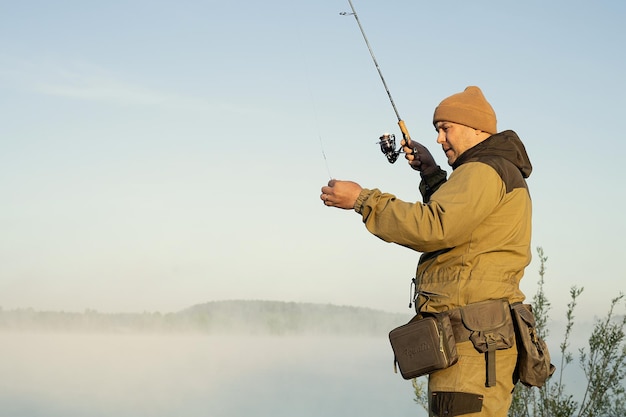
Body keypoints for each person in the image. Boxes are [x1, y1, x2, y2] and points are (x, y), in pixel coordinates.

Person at [320, 86, 532, 416]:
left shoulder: (483, 170)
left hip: (472, 348)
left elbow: (435, 226)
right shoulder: (491, 170)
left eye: (446, 128)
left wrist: (363, 200)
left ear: (476, 128)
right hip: (477, 344)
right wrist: (431, 173)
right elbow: (462, 226)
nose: (439, 139)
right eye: (437, 130)